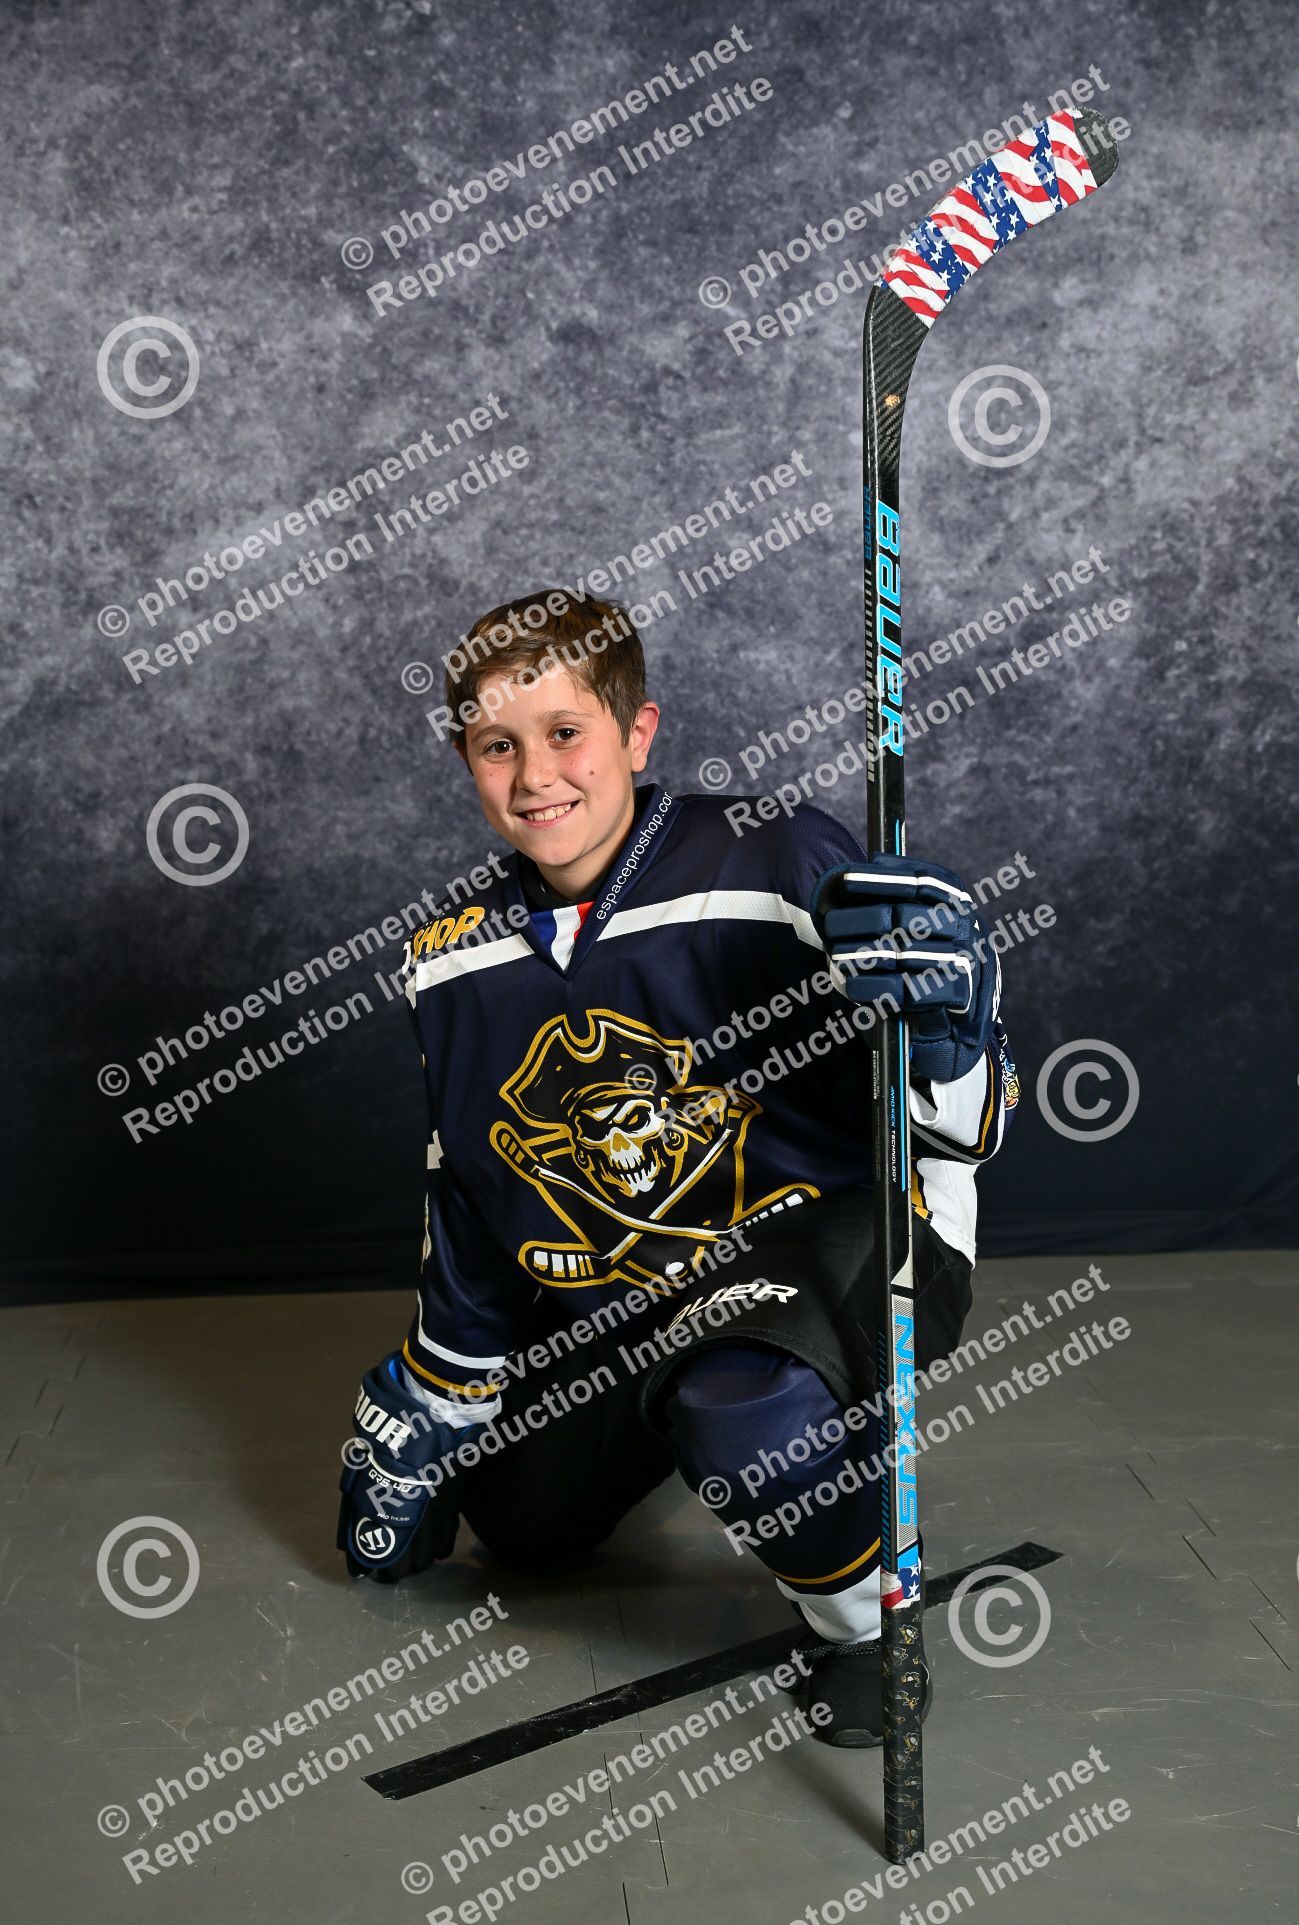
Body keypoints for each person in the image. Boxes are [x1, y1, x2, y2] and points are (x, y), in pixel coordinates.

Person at [337, 591, 1016, 1745]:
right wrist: (433, 1387)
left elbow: (957, 1130)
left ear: (637, 732)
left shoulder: (777, 854)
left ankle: (860, 1621)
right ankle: (719, 1419)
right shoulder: (447, 957)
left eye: (566, 732)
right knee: (524, 1521)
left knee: (744, 1407)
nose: (535, 774)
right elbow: (474, 1189)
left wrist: (948, 1032)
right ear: (465, 758)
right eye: (497, 745)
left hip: (844, 1224)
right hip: (637, 1289)